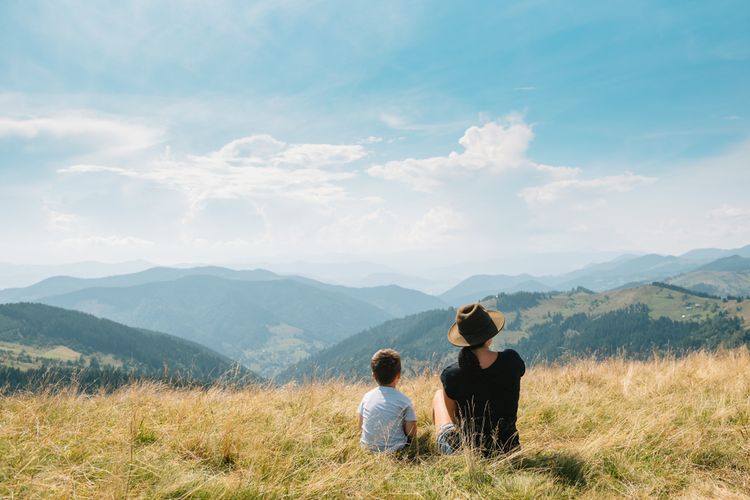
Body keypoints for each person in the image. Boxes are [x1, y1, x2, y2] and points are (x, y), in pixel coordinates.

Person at [433, 303, 525, 456]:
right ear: (489, 336)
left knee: (438, 396)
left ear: (463, 339)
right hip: (509, 450)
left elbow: (454, 419)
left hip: (469, 453)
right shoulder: (511, 360)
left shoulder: (452, 375)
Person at [357, 348, 418, 453]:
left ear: (373, 376)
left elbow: (360, 428)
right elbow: (412, 433)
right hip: (396, 450)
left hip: (367, 449)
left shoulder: (366, 397)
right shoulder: (405, 401)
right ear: (398, 376)